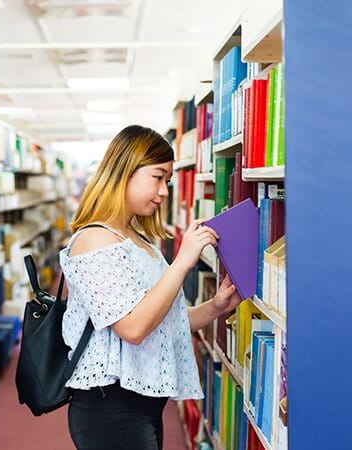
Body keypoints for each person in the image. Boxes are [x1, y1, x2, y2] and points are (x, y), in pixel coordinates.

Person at [60, 125, 242, 450]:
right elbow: (133, 327)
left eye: (168, 180)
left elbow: (161, 321)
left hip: (141, 402)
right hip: (110, 406)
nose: (165, 191)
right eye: (158, 177)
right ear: (125, 171)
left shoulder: (137, 238)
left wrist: (216, 306)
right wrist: (183, 261)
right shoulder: (93, 240)